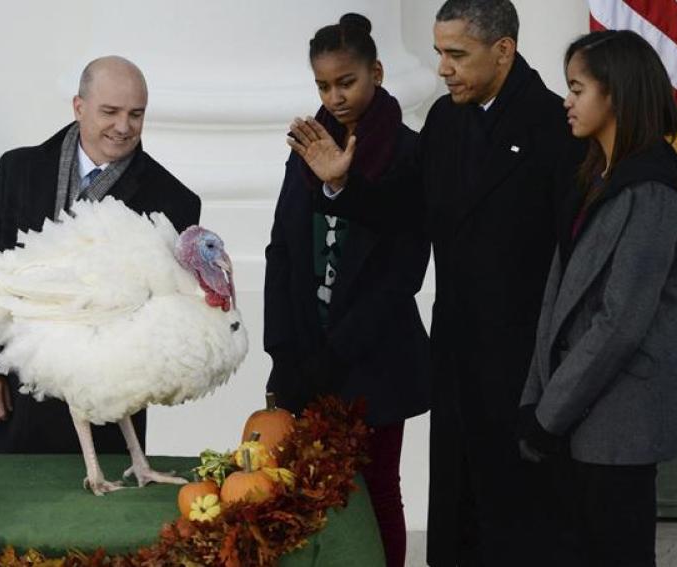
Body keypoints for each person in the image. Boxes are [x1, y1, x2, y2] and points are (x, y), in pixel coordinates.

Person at [285, 1, 585, 564]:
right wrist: (343, 185)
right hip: (455, 356)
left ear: (503, 51)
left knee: (519, 519)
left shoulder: (553, 127)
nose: (443, 69)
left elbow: (572, 256)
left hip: (525, 364)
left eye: (456, 55)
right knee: (457, 514)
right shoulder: (446, 120)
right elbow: (407, 208)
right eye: (438, 53)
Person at [518, 30, 677, 567]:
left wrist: (548, 414)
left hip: (622, 416)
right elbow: (558, 300)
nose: (567, 101)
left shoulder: (650, 191)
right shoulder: (596, 177)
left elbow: (620, 321)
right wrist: (538, 398)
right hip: (581, 411)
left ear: (617, 95)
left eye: (578, 89)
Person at [0, 56, 201, 455]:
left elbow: (166, 318)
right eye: (110, 112)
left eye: (136, 114)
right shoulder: (16, 171)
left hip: (108, 414)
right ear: (78, 107)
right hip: (13, 401)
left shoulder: (173, 202)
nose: (123, 127)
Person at [264, 13, 431, 567]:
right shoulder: (306, 148)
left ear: (377, 73)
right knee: (307, 484)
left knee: (377, 485)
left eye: (346, 82)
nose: (334, 97)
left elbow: (402, 271)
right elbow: (281, 251)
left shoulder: (408, 153)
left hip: (374, 357)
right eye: (322, 86)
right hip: (308, 356)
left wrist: (338, 354)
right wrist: (284, 352)